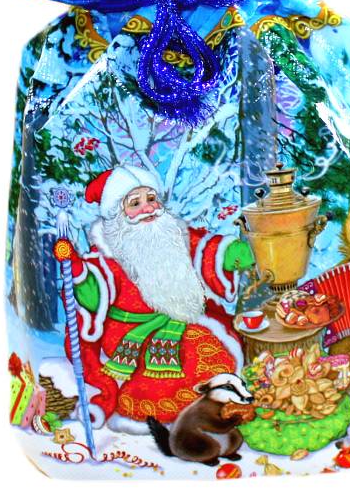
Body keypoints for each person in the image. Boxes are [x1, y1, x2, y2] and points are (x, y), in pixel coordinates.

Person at [63, 165, 255, 434]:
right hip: (130, 333)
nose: (148, 208)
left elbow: (203, 248)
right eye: (135, 203)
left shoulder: (172, 235)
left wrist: (229, 253)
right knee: (164, 374)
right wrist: (77, 270)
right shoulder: (108, 255)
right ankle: (178, 417)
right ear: (117, 214)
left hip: (177, 318)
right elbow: (93, 293)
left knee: (209, 348)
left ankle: (214, 405)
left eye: (151, 198)